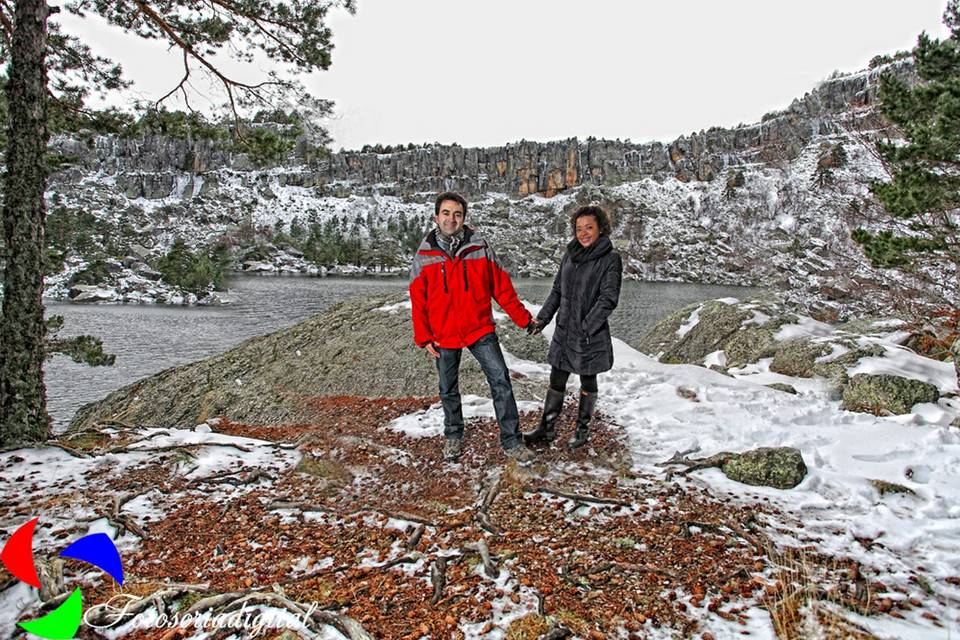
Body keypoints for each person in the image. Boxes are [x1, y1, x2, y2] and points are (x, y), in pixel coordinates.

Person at [409, 192, 538, 463]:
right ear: (436, 217)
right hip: (443, 333)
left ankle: (512, 441)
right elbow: (417, 298)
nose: (451, 219)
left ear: (464, 218)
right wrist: (424, 336)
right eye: (446, 213)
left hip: (479, 329)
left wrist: (523, 318)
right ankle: (453, 436)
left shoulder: (480, 246)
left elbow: (502, 287)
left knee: (500, 380)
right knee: (448, 388)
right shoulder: (424, 254)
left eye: (457, 214)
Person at [524, 204, 622, 450]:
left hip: (589, 334)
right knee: (557, 378)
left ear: (601, 229)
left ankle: (582, 430)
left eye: (589, 227)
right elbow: (557, 291)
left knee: (588, 380)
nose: (583, 233)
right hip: (564, 331)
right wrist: (542, 319)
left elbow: (608, 299)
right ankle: (546, 430)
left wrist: (586, 327)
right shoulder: (570, 255)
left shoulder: (610, 259)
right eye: (579, 228)